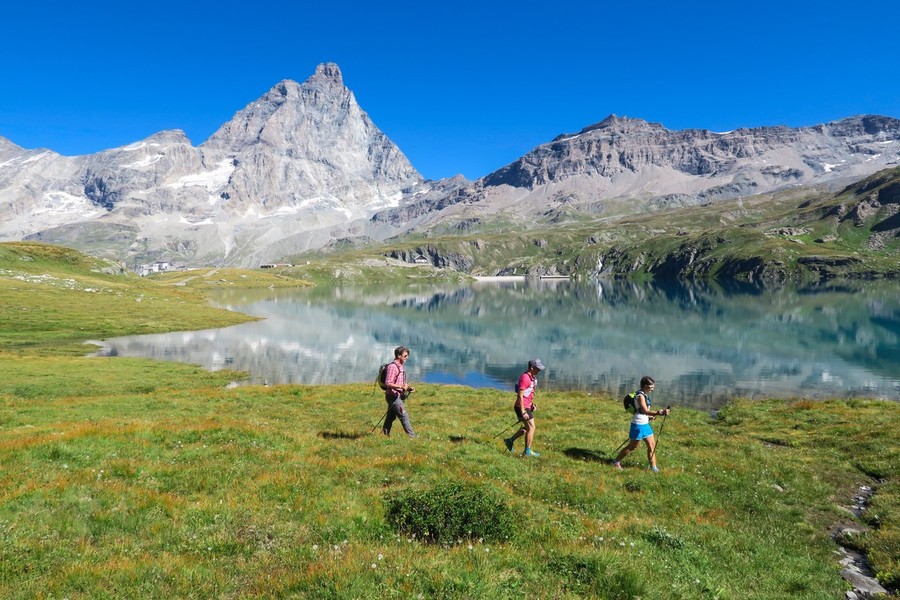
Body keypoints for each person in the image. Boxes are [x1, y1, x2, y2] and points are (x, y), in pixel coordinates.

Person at [613, 376, 671, 472]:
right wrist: (659, 412)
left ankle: (654, 468)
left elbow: (643, 412)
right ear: (645, 386)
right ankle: (616, 461)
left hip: (645, 424)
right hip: (638, 425)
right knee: (632, 447)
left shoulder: (644, 394)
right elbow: (644, 410)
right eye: (651, 387)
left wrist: (649, 417)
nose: (653, 389)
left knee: (652, 446)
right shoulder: (640, 396)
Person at [504, 358, 545, 457]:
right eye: (537, 368)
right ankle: (527, 452)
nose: (539, 370)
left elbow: (528, 394)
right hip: (521, 407)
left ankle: (510, 441)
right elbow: (520, 395)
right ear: (531, 368)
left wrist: (531, 405)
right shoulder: (525, 378)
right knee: (531, 428)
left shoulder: (533, 378)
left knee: (527, 428)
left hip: (526, 406)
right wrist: (523, 411)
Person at [382, 346, 417, 438]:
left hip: (397, 395)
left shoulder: (400, 366)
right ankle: (413, 437)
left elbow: (400, 381)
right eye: (405, 356)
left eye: (407, 356)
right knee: (404, 415)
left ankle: (385, 434)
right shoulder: (393, 367)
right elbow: (388, 383)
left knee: (391, 416)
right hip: (392, 396)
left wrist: (408, 388)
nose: (407, 358)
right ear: (398, 355)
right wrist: (401, 386)